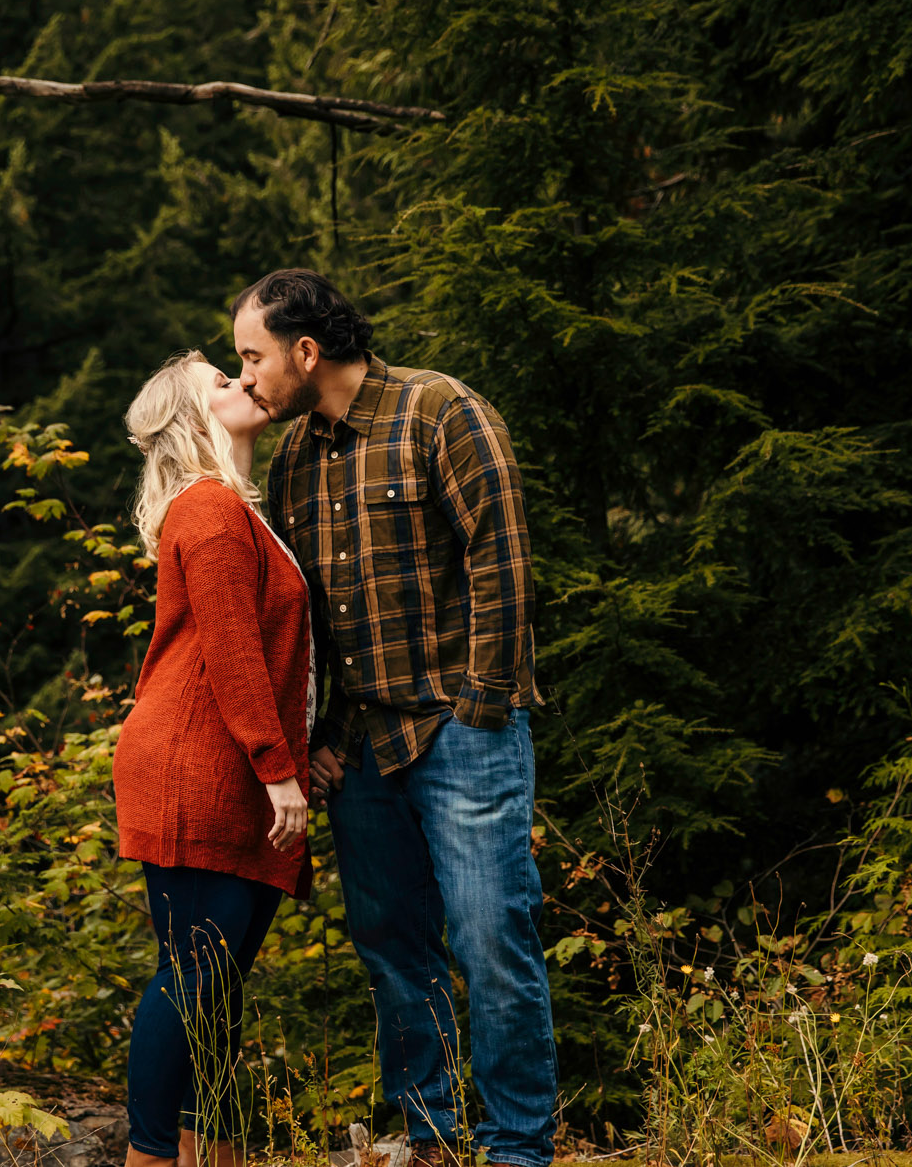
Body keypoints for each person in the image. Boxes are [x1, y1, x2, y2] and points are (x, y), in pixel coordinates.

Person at [232, 270, 555, 1167]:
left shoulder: (440, 411)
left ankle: (520, 1150)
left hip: (463, 733)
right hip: (363, 750)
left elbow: (504, 561)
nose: (248, 377)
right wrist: (321, 739)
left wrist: (482, 710)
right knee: (393, 955)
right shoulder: (296, 457)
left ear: (306, 350)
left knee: (493, 942)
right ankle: (432, 1141)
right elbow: (312, 624)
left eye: (253, 356)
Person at [113, 350, 316, 1167]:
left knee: (215, 987)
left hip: (222, 762)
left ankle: (213, 1155)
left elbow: (271, 653)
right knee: (194, 975)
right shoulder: (209, 511)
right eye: (222, 383)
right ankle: (150, 1155)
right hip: (199, 764)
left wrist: (300, 754)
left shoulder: (233, 509)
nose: (243, 384)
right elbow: (233, 653)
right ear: (196, 419)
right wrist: (279, 769)